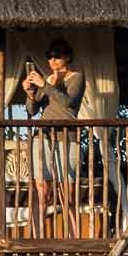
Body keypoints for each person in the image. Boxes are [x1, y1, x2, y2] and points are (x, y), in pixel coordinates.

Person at [21, 38, 85, 233]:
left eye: (57, 55)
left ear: (67, 57)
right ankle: (37, 239)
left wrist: (44, 84)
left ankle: (74, 241)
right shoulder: (47, 80)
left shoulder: (77, 77)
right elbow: (32, 110)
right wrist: (31, 93)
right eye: (49, 56)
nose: (53, 60)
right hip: (43, 138)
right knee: (41, 190)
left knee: (68, 194)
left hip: (69, 139)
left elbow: (66, 102)